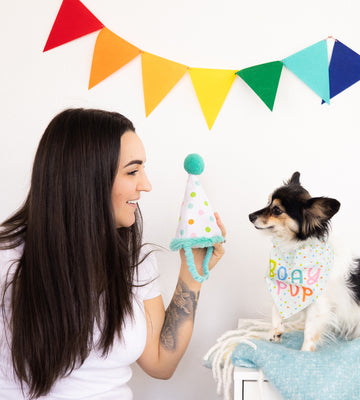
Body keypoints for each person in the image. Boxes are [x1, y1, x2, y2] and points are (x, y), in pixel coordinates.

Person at [0, 108, 225, 399]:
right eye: (133, 171)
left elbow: (160, 362)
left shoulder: (134, 261)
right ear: (85, 179)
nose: (146, 185)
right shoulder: (7, 258)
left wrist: (192, 272)